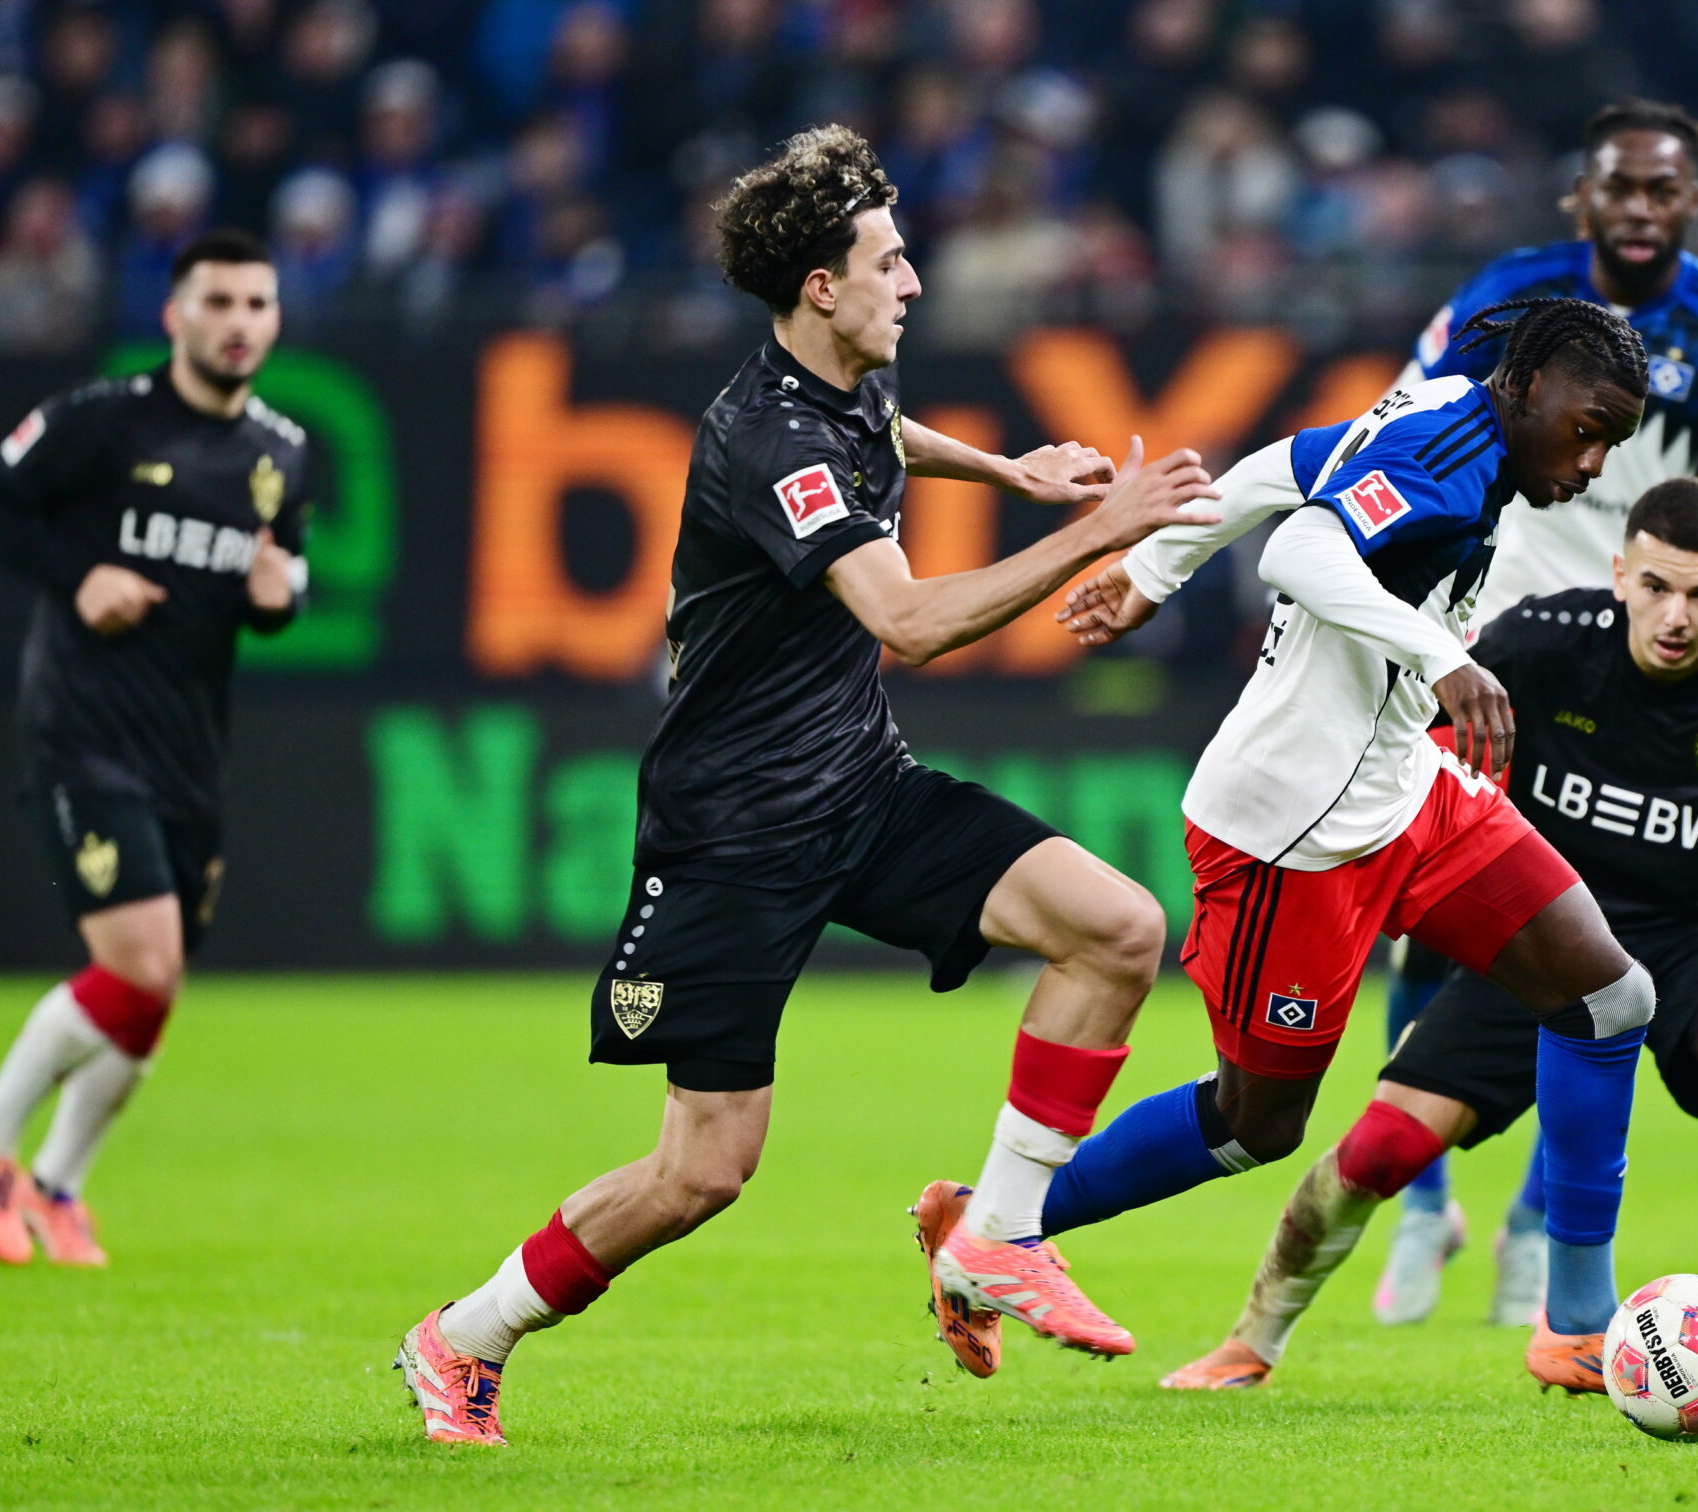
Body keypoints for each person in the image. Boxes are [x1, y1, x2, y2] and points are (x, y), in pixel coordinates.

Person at [391, 126, 1221, 1446]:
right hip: (732, 836)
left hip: (859, 787)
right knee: (701, 1172)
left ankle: (991, 1235)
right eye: (890, 263)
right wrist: (1095, 528)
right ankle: (463, 1336)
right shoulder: (770, 435)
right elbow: (906, 624)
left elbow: (886, 432)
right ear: (819, 288)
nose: (916, 283)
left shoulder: (837, 388)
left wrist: (1007, 471)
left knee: (1118, 926)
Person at [969, 297, 1657, 1386]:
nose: (1592, 462)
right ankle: (991, 1223)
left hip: (1405, 789)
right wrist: (1443, 658)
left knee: (1608, 998)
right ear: (1525, 389)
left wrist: (1154, 575)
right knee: (1255, 1128)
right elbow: (1299, 547)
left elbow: (1273, 471)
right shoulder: (1445, 446)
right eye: (1587, 428)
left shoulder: (1439, 402)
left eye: (1614, 442)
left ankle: (1574, 1322)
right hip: (1289, 835)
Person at [1159, 479, 1698, 1396]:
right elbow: (1393, 734)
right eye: (1656, 586)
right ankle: (1250, 1342)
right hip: (1541, 940)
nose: (1676, 616)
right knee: (1379, 1150)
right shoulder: (1543, 643)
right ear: (1620, 573)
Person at [1379, 98, 1698, 1326]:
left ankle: (1533, 1226)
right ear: (1582, 194)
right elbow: (1408, 425)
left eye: (1661, 191)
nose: (1638, 209)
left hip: (1637, 656)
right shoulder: (1508, 295)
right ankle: (1420, 1211)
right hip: (1492, 640)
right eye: (1618, 188)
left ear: (1692, 200)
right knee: (1422, 912)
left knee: (1586, 942)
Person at [0, 229, 309, 1270]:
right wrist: (81, 575)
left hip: (189, 750)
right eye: (219, 302)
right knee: (138, 966)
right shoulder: (103, 421)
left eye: (257, 305)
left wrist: (285, 600)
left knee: (156, 995)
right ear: (175, 315)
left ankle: (59, 1186)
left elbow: (283, 580)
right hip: (83, 731)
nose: (239, 323)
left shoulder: (281, 451)